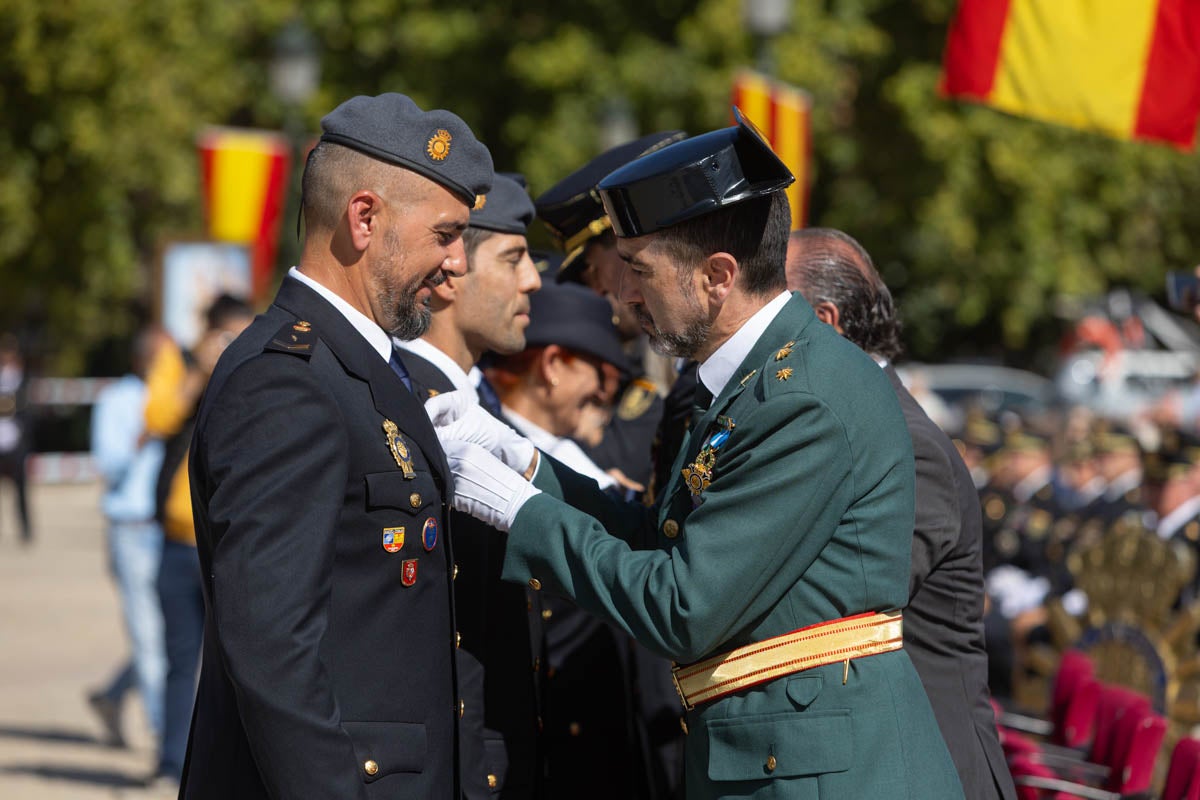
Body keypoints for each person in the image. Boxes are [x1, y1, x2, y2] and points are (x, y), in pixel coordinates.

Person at [430, 112, 963, 799]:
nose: (621, 294)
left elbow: (684, 606)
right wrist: (530, 464)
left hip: (825, 775)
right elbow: (661, 536)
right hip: (784, 758)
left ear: (717, 276)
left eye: (638, 270)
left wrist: (522, 511)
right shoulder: (752, 380)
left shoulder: (802, 399)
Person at [179, 93, 493, 799]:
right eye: (445, 234)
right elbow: (273, 652)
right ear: (363, 218)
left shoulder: (359, 368)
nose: (455, 263)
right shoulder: (286, 385)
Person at [785, 227, 1016, 800]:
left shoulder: (907, 442)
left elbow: (841, 605)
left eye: (770, 307)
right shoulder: (858, 424)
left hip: (931, 767)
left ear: (825, 321)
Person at [394, 172, 546, 798]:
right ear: (450, 273)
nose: (533, 279)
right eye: (513, 258)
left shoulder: (481, 415)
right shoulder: (413, 411)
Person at [146, 293, 254, 787]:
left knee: (237, 665)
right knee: (178, 659)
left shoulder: (262, 366)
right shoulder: (181, 362)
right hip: (175, 540)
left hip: (231, 543)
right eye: (225, 336)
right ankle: (170, 762)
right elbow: (156, 420)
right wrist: (198, 375)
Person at [87, 325, 168, 750]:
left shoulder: (178, 397)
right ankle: (165, 740)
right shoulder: (117, 401)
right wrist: (147, 431)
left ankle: (113, 694)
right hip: (132, 529)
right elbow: (110, 464)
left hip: (171, 532)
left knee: (174, 634)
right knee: (150, 637)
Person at [0, 333, 32, 544]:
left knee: (20, 490)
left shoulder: (23, 379)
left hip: (16, 441)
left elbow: (28, 412)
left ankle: (25, 530)